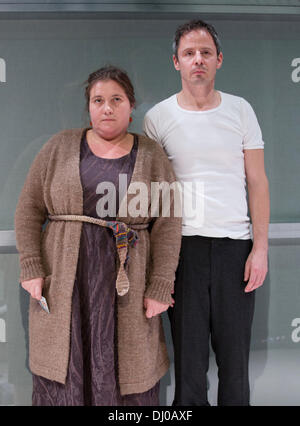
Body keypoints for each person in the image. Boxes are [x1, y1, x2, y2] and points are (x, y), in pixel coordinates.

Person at [14, 65, 182, 406]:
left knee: (127, 372)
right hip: (65, 282)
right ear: (89, 106)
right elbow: (28, 209)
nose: (107, 107)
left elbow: (168, 224)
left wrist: (160, 286)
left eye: (116, 99)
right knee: (64, 369)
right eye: (98, 100)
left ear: (131, 106)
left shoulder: (151, 155)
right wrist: (31, 268)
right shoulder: (58, 147)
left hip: (126, 284)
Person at [143, 19, 270, 406]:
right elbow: (153, 197)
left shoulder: (241, 110)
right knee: (189, 363)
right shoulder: (158, 118)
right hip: (182, 252)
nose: (198, 59)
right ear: (176, 63)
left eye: (205, 52)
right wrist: (159, 267)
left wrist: (260, 248)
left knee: (235, 365)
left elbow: (257, 182)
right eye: (189, 53)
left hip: (236, 250)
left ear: (219, 60)